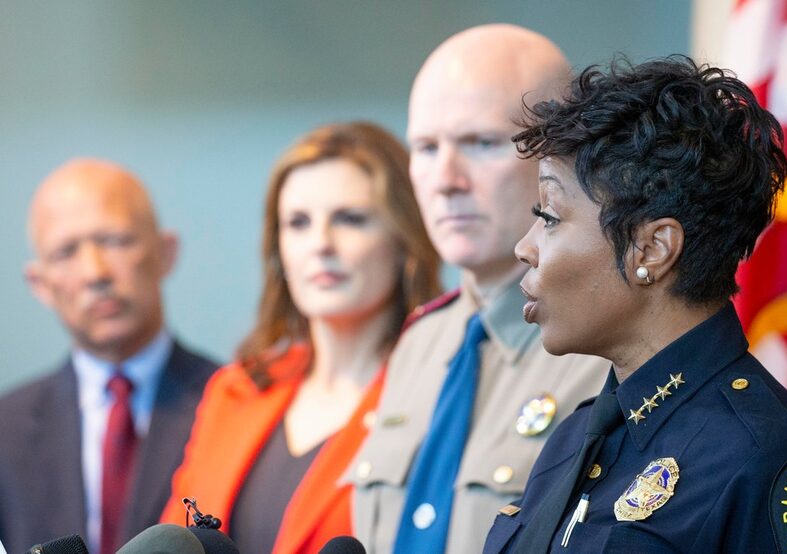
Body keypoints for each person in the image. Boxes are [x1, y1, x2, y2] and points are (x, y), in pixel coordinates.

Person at [483, 56, 787, 553]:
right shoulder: (576, 437)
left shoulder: (766, 462)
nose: (526, 247)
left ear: (652, 249)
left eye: (550, 216)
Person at [346, 24, 609, 553]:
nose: (445, 179)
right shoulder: (420, 342)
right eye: (425, 146)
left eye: (482, 143)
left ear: (561, 156)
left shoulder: (607, 349)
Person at [159, 122, 442, 553]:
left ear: (404, 238)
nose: (320, 244)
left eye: (350, 219)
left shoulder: (437, 394)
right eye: (298, 223)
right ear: (279, 248)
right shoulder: (235, 391)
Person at [0, 159, 219, 554]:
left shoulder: (236, 407)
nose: (95, 272)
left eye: (115, 240)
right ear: (40, 284)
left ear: (165, 253)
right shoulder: (4, 431)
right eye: (66, 251)